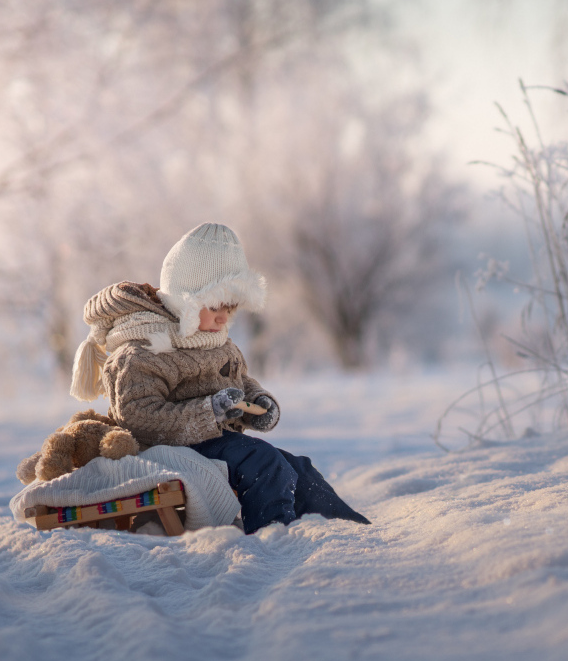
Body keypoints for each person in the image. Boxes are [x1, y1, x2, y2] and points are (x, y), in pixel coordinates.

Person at [67, 222, 369, 534]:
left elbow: (239, 380)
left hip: (213, 441)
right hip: (165, 449)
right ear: (186, 300)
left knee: (297, 467)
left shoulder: (215, 340)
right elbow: (138, 417)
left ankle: (348, 530)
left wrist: (259, 402)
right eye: (213, 305)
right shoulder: (141, 351)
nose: (223, 317)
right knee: (262, 461)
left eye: (231, 306)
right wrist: (209, 410)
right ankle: (275, 535)